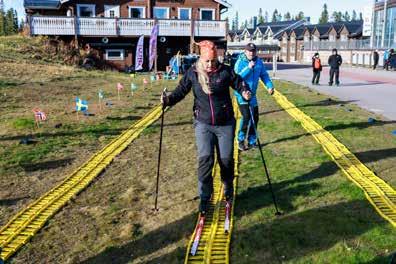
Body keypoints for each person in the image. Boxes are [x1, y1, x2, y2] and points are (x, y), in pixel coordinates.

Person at [161, 40, 251, 214]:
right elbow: (181, 91)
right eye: (207, 61)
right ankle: (204, 196)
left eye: (213, 60)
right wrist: (168, 100)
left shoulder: (225, 71)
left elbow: (239, 82)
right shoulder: (193, 73)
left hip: (225, 123)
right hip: (203, 123)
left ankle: (227, 186)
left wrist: (245, 91)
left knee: (225, 160)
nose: (210, 64)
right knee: (205, 160)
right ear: (201, 58)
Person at [234, 43, 274, 151]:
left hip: (253, 95)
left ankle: (252, 140)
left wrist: (270, 86)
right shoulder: (240, 62)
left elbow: (264, 75)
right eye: (249, 51)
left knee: (255, 118)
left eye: (253, 51)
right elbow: (236, 78)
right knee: (246, 117)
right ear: (245, 51)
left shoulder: (259, 62)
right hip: (241, 95)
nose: (251, 53)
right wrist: (248, 68)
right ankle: (240, 140)